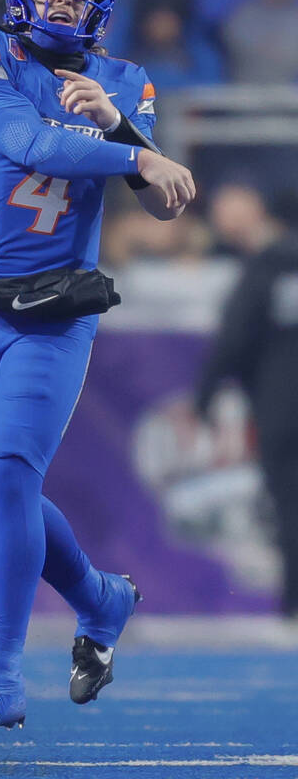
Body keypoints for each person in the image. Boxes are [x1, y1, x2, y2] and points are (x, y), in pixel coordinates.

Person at [0, 0, 195, 738]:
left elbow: (164, 202)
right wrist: (132, 154)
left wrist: (123, 127)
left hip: (55, 313)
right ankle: (101, 599)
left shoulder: (126, 82)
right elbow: (27, 141)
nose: (60, 0)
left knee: (11, 474)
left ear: (103, 7)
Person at [196, 191, 298, 621]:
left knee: (291, 504)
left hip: (283, 406)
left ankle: (293, 603)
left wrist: (205, 394)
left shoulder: (264, 267)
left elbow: (234, 340)